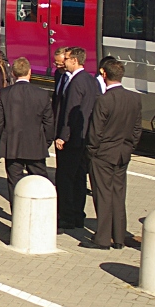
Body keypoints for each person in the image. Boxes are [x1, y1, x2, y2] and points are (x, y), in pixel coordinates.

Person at [80, 59, 143, 250]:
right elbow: (137, 129)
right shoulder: (134, 98)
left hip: (103, 154)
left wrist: (92, 151)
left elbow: (95, 131)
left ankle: (102, 238)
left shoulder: (104, 100)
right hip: (122, 153)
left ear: (104, 74)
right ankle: (119, 237)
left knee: (103, 194)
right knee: (118, 193)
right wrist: (129, 147)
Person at [54, 46, 100, 232]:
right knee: (80, 177)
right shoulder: (91, 80)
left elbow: (70, 111)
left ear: (74, 60)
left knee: (65, 177)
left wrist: (63, 136)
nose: (63, 62)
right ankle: (79, 215)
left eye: (66, 59)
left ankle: (67, 216)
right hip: (84, 136)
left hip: (72, 138)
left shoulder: (76, 82)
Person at [0, 57, 55, 199]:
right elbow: (49, 122)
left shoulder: (5, 94)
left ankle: (17, 213)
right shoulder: (42, 94)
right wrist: (45, 142)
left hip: (12, 145)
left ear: (13, 73)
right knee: (40, 181)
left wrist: (2, 140)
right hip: (35, 145)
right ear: (30, 72)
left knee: (14, 183)